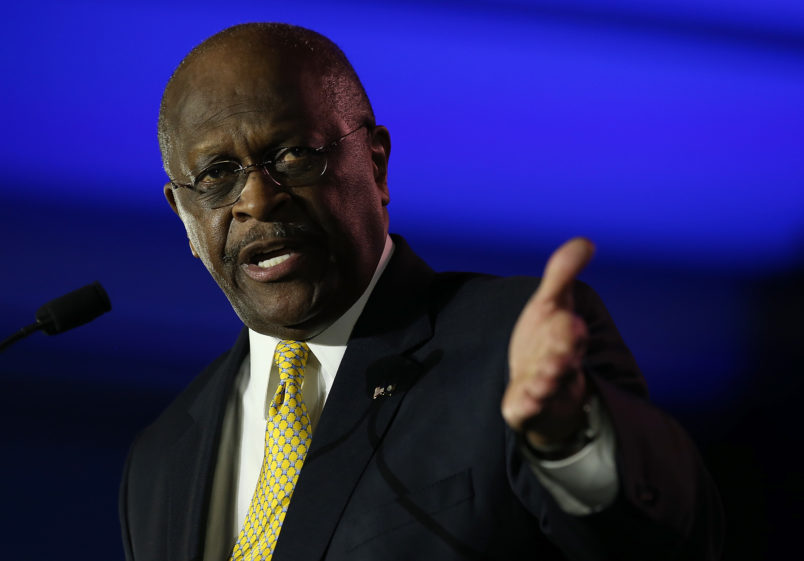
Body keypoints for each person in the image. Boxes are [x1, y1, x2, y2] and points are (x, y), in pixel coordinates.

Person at [119, 22, 723, 561]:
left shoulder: (509, 348)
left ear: (375, 165)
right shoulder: (160, 459)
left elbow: (668, 544)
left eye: (295, 154)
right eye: (218, 175)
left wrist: (567, 442)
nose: (257, 199)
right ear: (184, 216)